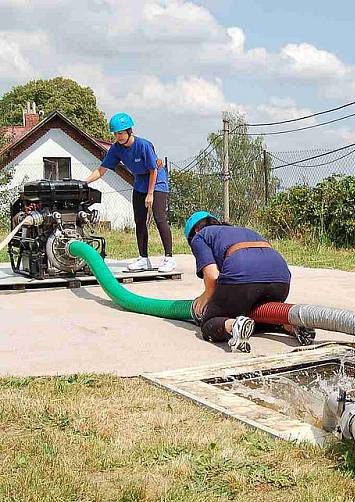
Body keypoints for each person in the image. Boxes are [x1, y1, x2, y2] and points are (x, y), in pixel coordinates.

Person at [185, 211, 315, 352]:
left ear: (196, 230)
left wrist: (206, 297)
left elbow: (212, 276)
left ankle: (234, 326)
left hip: (243, 276)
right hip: (281, 280)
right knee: (256, 312)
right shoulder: (242, 230)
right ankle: (292, 325)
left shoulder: (199, 236)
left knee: (209, 323)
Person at [85, 112, 174, 273]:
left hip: (156, 182)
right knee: (139, 221)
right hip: (140, 182)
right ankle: (143, 259)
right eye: (115, 134)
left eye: (120, 133)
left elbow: (153, 169)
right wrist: (84, 182)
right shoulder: (116, 149)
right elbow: (102, 169)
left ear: (129, 131)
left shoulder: (143, 145)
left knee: (159, 218)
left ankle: (169, 258)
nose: (118, 136)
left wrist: (150, 194)